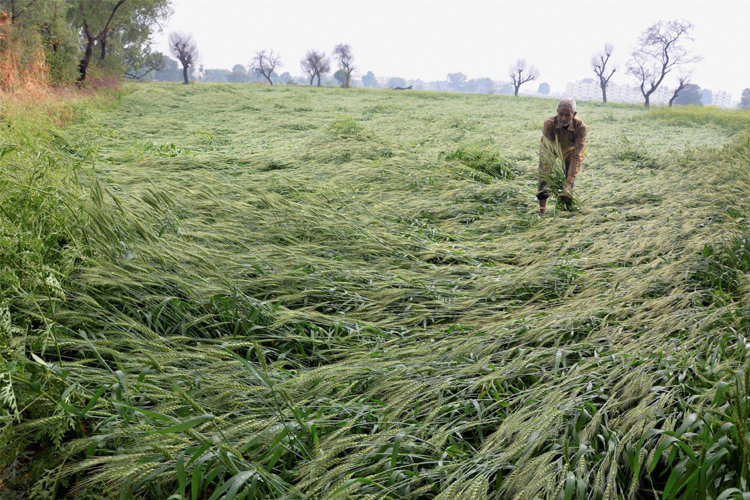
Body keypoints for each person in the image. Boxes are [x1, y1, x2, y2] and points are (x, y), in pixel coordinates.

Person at [537, 99, 587, 216]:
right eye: (561, 114)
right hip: (551, 151)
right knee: (543, 180)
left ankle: (566, 211)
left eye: (567, 115)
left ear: (574, 114)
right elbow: (546, 153)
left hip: (570, 152)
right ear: (557, 112)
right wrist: (549, 180)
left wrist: (568, 184)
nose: (563, 118)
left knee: (569, 183)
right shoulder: (549, 124)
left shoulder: (581, 127)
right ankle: (542, 212)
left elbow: (577, 156)